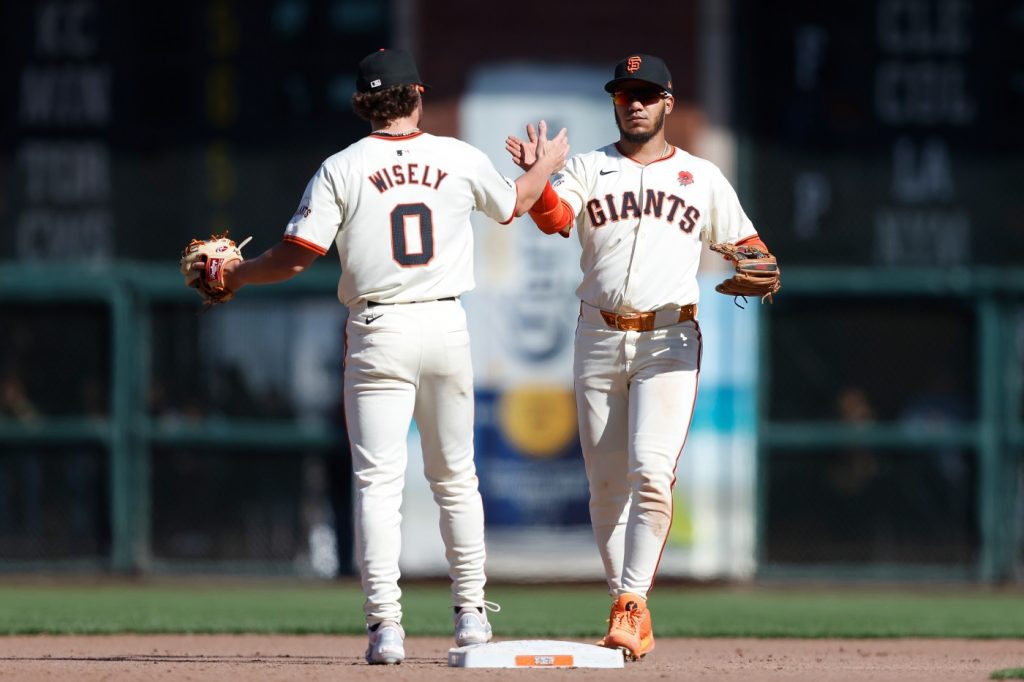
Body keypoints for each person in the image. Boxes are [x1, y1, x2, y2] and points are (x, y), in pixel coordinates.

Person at [199, 48, 568, 664]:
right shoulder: (455, 155)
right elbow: (516, 205)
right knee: (456, 479)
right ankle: (472, 615)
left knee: (378, 484)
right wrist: (546, 167)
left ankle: (387, 629)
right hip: (447, 324)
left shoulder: (341, 167)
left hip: (379, 328)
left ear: (361, 104)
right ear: (417, 94)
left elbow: (295, 255)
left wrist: (235, 274)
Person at [506, 53, 777, 661]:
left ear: (668, 103)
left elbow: (752, 247)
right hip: (597, 336)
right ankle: (629, 605)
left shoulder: (702, 177)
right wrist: (541, 179)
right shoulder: (589, 167)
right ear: (615, 102)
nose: (635, 102)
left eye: (647, 93)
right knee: (605, 486)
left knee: (651, 472)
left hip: (669, 339)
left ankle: (630, 602)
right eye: (626, 93)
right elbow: (553, 220)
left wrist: (755, 261)